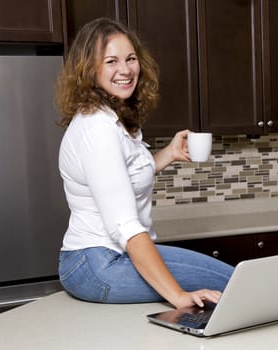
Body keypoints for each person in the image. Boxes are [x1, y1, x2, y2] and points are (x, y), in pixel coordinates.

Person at [54, 18, 234, 309]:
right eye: (111, 61)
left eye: (130, 59)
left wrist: (169, 154)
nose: (125, 70)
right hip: (97, 263)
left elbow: (120, 177)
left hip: (106, 258)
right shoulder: (97, 129)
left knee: (231, 280)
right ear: (89, 68)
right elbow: (125, 226)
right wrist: (178, 296)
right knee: (232, 282)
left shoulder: (113, 118)